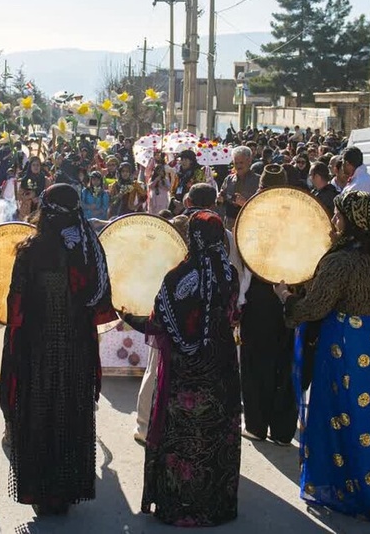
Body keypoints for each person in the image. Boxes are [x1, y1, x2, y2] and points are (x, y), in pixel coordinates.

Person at [283, 191, 370, 526]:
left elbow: (315, 307)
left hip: (349, 346)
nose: (334, 220)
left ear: (351, 220)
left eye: (338, 215)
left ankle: (350, 490)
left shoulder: (341, 260)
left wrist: (286, 299)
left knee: (344, 416)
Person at [0, 184, 116, 515]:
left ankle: (40, 489)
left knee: (40, 412)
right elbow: (101, 300)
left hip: (37, 348)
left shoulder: (31, 250)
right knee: (70, 412)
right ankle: (67, 489)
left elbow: (16, 303)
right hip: (76, 346)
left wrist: (14, 345)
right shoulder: (89, 250)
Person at [123, 210, 242, 526]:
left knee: (184, 432)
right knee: (216, 428)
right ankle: (215, 503)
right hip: (221, 362)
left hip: (185, 369)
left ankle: (181, 503)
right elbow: (230, 314)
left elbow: (158, 321)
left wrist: (127, 316)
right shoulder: (230, 274)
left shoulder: (178, 277)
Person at [239, 165, 296, 445]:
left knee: (255, 364)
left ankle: (257, 426)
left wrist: (238, 302)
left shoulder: (252, 216)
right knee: (284, 363)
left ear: (260, 189)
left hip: (259, 297)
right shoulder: (298, 216)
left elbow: (244, 268)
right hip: (289, 294)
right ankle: (284, 430)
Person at [218, 146, 260, 229]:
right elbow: (220, 204)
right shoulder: (229, 179)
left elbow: (262, 206)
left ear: (249, 161)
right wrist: (220, 200)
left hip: (249, 223)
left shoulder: (258, 180)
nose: (238, 166)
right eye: (236, 163)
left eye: (241, 163)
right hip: (229, 224)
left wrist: (246, 204)